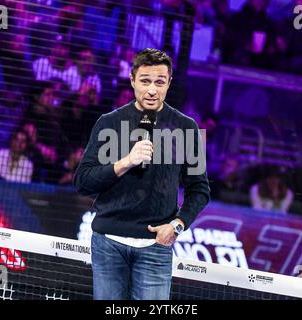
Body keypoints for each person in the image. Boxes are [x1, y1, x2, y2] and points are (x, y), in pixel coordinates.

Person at [74, 48, 210, 300]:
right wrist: (126, 162)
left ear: (169, 83)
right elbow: (83, 182)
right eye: (145, 81)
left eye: (159, 82)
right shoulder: (109, 122)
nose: (151, 90)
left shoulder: (186, 127)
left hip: (155, 247)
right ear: (132, 80)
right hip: (108, 243)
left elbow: (200, 191)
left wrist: (177, 226)